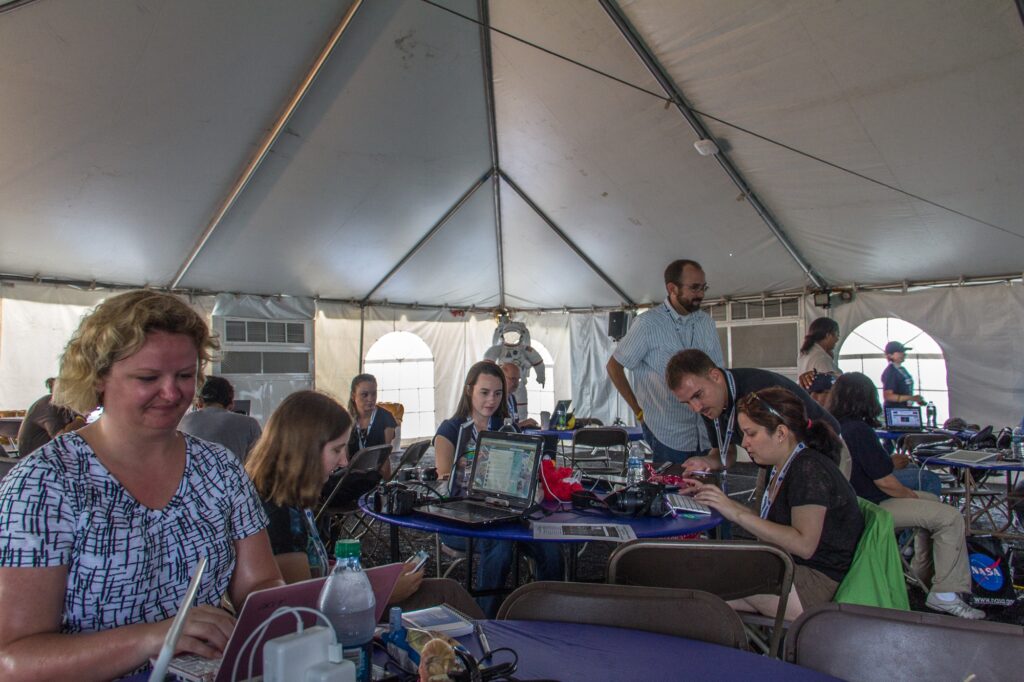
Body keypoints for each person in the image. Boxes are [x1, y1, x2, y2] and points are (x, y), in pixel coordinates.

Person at [0, 290, 283, 680]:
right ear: (99, 378)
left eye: (185, 376)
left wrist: (281, 613)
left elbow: (260, 583)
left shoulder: (218, 468)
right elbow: (14, 660)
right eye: (148, 378)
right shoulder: (44, 485)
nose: (172, 393)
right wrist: (155, 638)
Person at [245, 390, 481, 618]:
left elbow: (314, 576)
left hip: (340, 607)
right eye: (337, 450)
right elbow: (303, 607)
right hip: (336, 624)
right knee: (447, 595)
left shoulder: (286, 499)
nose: (344, 461)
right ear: (304, 449)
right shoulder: (279, 511)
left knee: (447, 591)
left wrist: (378, 576)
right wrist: (383, 591)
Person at [684, 387, 863, 618]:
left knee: (695, 582)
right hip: (789, 569)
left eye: (751, 434)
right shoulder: (781, 464)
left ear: (780, 433)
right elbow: (767, 523)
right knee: (695, 587)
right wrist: (719, 500)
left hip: (811, 586)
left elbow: (803, 545)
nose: (745, 444)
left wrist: (736, 513)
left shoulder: (809, 470)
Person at [828, 373, 983, 619]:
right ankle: (945, 593)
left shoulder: (837, 427)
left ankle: (923, 573)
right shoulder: (860, 431)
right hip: (874, 506)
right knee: (951, 517)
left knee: (933, 505)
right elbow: (886, 482)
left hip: (856, 502)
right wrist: (911, 496)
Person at [434, 361, 562, 617]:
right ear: (469, 390)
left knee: (550, 545)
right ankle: (486, 622)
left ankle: (548, 614)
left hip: (505, 512)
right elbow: (443, 484)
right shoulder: (450, 430)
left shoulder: (507, 428)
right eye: (484, 392)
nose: (491, 400)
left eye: (498, 393)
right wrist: (464, 469)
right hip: (460, 519)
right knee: (499, 546)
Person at [664, 349, 851, 479]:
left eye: (697, 396)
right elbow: (725, 453)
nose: (696, 408)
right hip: (777, 460)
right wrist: (706, 461)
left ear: (715, 376)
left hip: (821, 452)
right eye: (687, 402)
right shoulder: (711, 404)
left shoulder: (759, 392)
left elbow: (789, 444)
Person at [606, 259, 723, 463]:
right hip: (666, 432)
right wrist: (638, 411)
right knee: (671, 492)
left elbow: (718, 372)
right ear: (672, 288)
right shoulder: (648, 324)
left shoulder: (706, 323)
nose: (701, 294)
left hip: (706, 432)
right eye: (694, 288)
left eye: (703, 287)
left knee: (706, 493)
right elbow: (614, 366)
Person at [178, 375, 262, 462]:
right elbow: (259, 463)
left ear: (199, 402)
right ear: (231, 405)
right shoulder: (250, 424)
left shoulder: (181, 422)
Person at [16, 377, 84, 457]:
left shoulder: (66, 406)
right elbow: (61, 438)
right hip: (36, 460)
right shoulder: (48, 404)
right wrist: (82, 417)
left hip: (50, 455)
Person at [797, 318, 841, 390]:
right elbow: (834, 384)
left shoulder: (804, 353)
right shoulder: (822, 358)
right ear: (828, 335)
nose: (837, 339)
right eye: (837, 335)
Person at [881, 341, 925, 407]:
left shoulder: (902, 369)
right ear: (890, 355)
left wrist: (914, 399)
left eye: (904, 352)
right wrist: (911, 398)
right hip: (895, 409)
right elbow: (888, 396)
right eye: (899, 352)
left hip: (905, 408)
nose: (903, 354)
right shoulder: (890, 372)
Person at [499, 361, 539, 429]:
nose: (516, 383)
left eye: (518, 379)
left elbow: (513, 424)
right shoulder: (496, 400)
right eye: (513, 379)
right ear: (502, 378)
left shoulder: (512, 398)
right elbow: (499, 429)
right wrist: (523, 424)